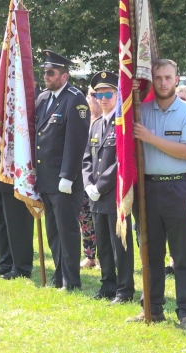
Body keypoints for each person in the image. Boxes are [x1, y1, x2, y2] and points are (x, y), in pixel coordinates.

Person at [126, 59, 186, 330]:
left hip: (177, 187)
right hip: (146, 189)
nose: (163, 83)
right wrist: (128, 92)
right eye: (157, 78)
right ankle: (152, 308)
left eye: (168, 77)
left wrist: (149, 137)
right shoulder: (140, 110)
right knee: (150, 252)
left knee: (182, 254)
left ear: (177, 79)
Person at [34, 50, 90, 290]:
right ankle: (59, 276)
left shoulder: (75, 99)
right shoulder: (43, 98)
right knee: (53, 231)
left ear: (64, 75)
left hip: (63, 178)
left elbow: (75, 142)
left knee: (67, 231)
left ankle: (71, 280)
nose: (46, 76)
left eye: (51, 72)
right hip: (45, 177)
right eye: (44, 72)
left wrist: (68, 175)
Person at [82, 71, 134, 304]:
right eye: (98, 94)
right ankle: (107, 285)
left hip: (114, 193)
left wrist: (100, 185)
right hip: (95, 194)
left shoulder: (122, 123)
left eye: (108, 94)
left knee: (119, 244)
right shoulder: (95, 125)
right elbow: (86, 159)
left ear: (118, 95)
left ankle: (124, 290)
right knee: (102, 241)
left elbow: (121, 160)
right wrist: (87, 184)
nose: (102, 99)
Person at [0, 109, 35, 280]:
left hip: (14, 171)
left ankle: (21, 266)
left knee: (16, 223)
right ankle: (5, 262)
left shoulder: (19, 93)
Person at [80, 85, 101, 269]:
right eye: (92, 95)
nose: (95, 98)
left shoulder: (110, 119)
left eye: (99, 94)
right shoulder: (83, 119)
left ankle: (104, 256)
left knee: (103, 218)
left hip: (103, 177)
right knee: (85, 218)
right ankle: (90, 255)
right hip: (84, 175)